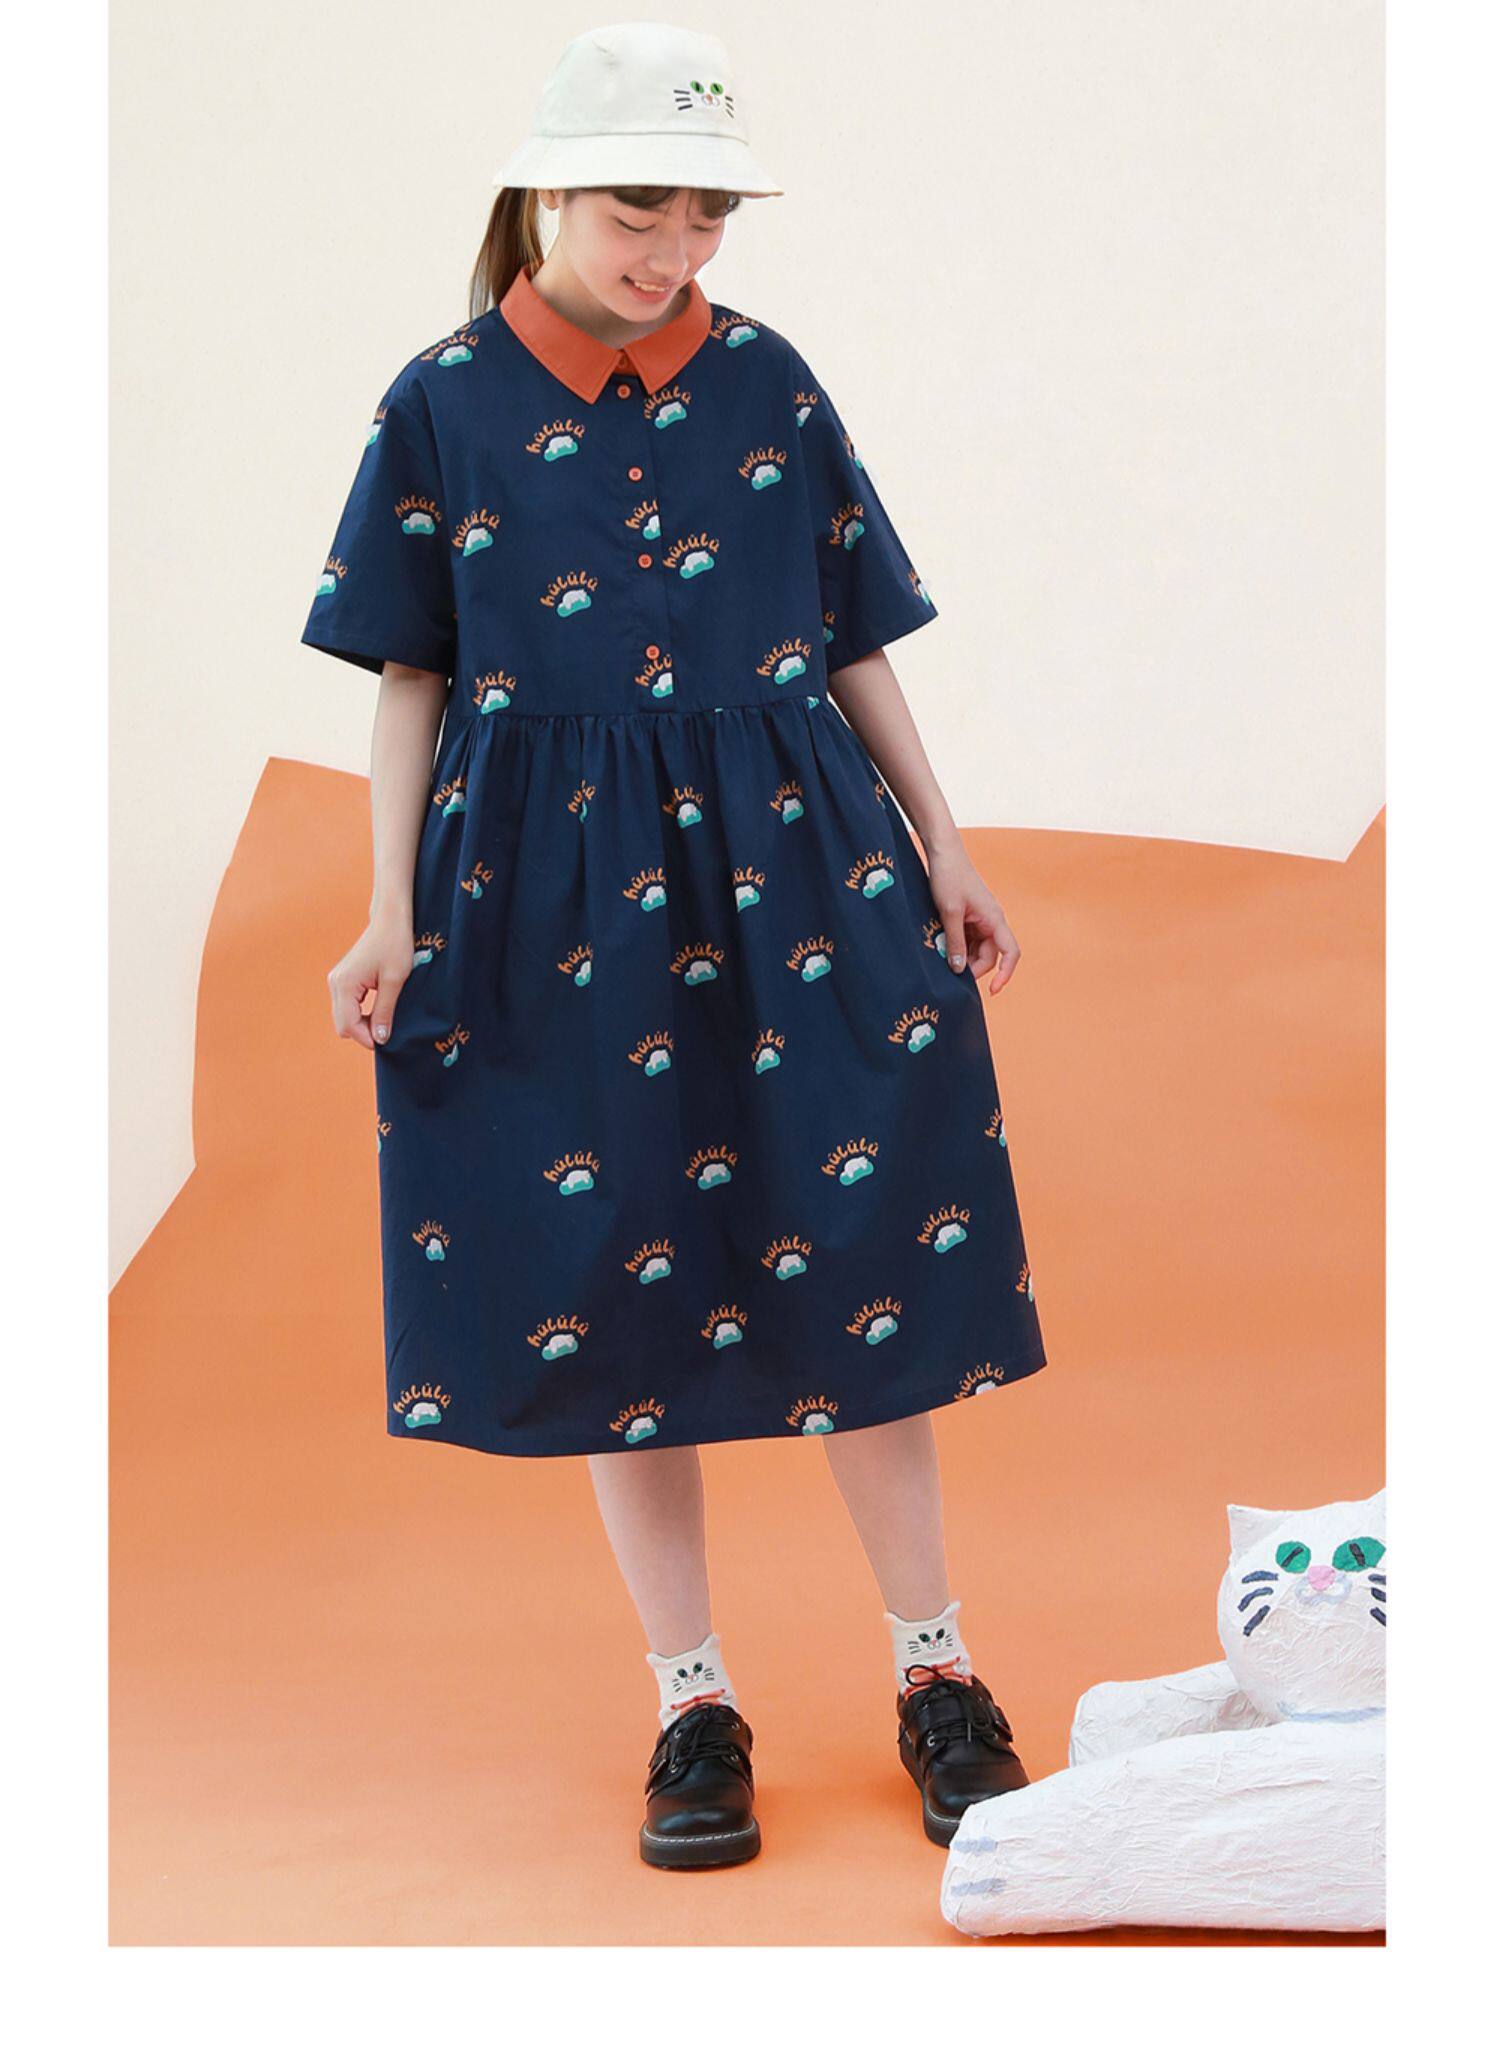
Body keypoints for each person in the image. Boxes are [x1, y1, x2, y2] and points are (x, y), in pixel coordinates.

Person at [302, 21, 1046, 1869]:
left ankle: (937, 1666)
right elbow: (410, 674)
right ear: (549, 192)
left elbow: (850, 630)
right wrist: (390, 907)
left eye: (708, 218)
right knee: (611, 1273)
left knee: (865, 1252)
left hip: (798, 861)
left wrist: (945, 842)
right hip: (543, 891)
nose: (677, 253)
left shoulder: (767, 378)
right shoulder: (441, 402)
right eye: (643, 213)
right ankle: (691, 1697)